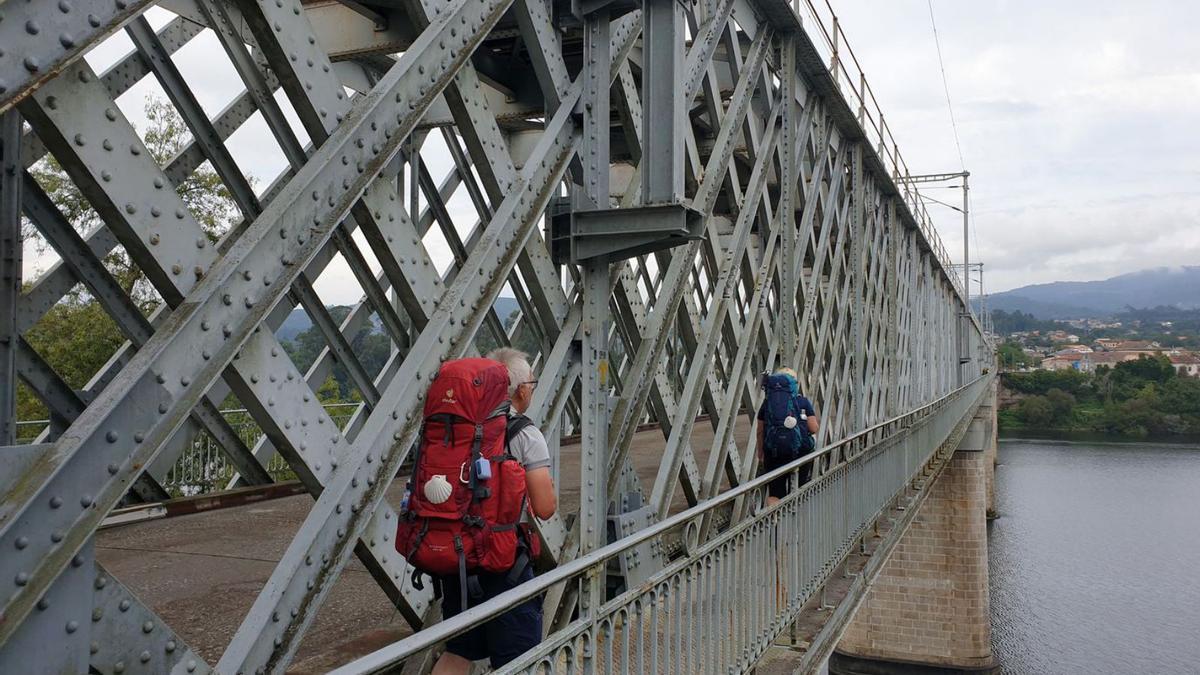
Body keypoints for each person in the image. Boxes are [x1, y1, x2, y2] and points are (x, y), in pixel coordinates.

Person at [431, 348, 557, 674]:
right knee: (518, 659)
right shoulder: (524, 433)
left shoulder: (454, 427)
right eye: (531, 383)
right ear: (521, 390)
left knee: (458, 652)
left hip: (458, 559)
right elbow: (545, 508)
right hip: (505, 563)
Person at [756, 367, 819, 507]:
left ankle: (777, 519)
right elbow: (814, 428)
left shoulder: (767, 403)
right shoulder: (802, 402)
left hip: (774, 453)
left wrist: (761, 454)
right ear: (794, 384)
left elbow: (760, 431)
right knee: (801, 487)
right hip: (801, 452)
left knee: (775, 492)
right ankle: (798, 513)